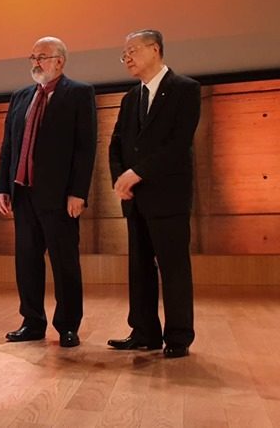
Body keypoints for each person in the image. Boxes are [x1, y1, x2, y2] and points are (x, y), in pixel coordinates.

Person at [0, 37, 97, 348]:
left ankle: (68, 326)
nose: (36, 63)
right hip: (23, 193)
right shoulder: (21, 96)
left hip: (60, 196)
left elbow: (85, 148)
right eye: (33, 57)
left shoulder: (78, 93)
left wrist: (78, 192)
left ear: (59, 61)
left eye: (42, 57)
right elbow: (8, 146)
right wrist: (2, 187)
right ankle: (32, 321)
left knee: (65, 263)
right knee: (27, 261)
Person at [107, 29, 200, 358]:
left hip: (168, 196)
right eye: (124, 54)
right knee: (140, 268)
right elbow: (117, 143)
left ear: (155, 49)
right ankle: (144, 332)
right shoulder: (131, 97)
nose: (127, 58)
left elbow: (178, 143)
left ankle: (178, 337)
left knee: (173, 268)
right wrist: (120, 179)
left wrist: (138, 173)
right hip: (135, 198)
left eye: (132, 50)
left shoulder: (185, 89)